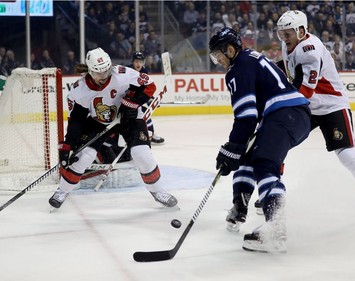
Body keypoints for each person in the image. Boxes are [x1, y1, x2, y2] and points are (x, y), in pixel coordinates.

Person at [209, 27, 311, 253]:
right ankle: (240, 205)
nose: (217, 61)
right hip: (291, 116)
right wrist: (237, 149)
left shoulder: (238, 68)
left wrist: (231, 148)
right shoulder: (250, 58)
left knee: (265, 163)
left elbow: (246, 117)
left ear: (230, 49)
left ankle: (275, 229)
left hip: (284, 115)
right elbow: (251, 119)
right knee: (249, 156)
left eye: (218, 54)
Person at [48, 48, 177, 209]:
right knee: (83, 157)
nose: (104, 77)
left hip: (129, 118)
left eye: (106, 71)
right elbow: (76, 120)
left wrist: (132, 103)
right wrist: (69, 144)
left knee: (141, 154)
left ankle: (158, 192)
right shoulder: (79, 90)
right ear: (89, 71)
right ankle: (62, 191)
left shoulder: (122, 73)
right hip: (98, 122)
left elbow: (149, 86)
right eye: (98, 73)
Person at [276, 11, 355, 203]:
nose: (283, 38)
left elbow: (304, 91)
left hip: (331, 105)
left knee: (348, 155)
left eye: (287, 33)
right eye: (281, 33)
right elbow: (287, 67)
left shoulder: (310, 50)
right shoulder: (289, 43)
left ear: (301, 31)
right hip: (308, 107)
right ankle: (273, 190)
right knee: (276, 141)